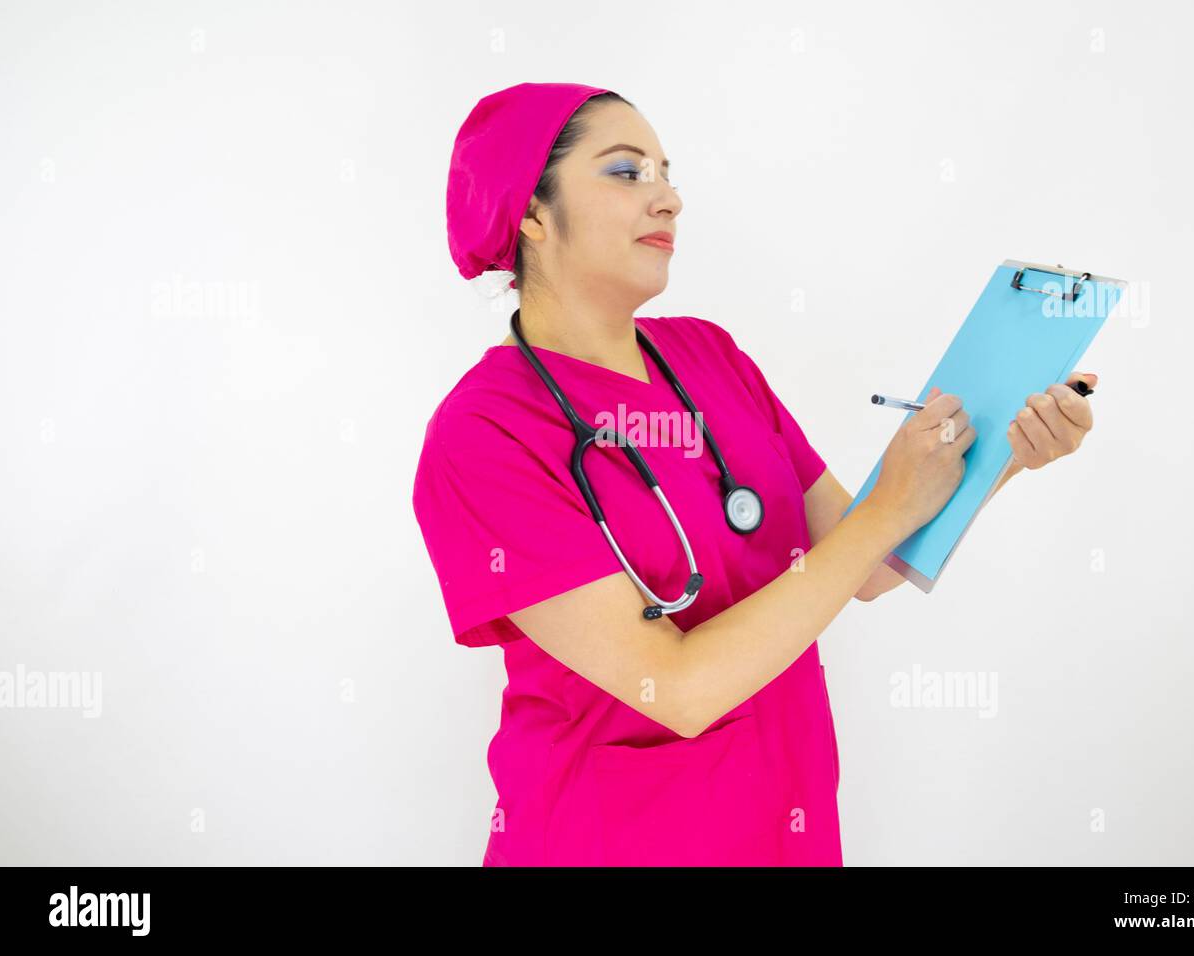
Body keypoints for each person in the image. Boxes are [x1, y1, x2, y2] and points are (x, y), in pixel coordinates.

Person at [412, 82, 1098, 866]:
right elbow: (670, 688)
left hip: (784, 834)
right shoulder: (485, 433)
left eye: (668, 173)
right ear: (531, 214)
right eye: (626, 172)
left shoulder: (709, 357)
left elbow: (865, 565)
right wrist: (887, 509)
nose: (668, 198)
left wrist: (1005, 451)